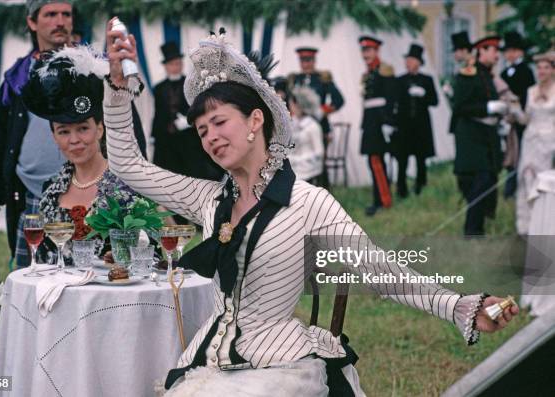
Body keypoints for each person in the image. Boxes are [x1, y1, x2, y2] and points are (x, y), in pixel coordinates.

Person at [104, 22, 518, 396]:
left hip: (277, 368)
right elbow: (127, 165)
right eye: (201, 130)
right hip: (207, 364)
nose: (210, 137)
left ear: (254, 121)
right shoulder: (208, 199)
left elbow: (379, 269)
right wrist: (118, 91)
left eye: (219, 122)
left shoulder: (309, 202)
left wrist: (459, 305)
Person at [0, 0, 146, 268]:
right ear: (32, 22)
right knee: (34, 282)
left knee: (99, 279)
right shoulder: (18, 77)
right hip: (32, 195)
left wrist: (138, 182)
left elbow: (129, 129)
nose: (60, 21)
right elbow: (1, 142)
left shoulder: (95, 68)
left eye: (65, 14)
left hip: (95, 195)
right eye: (51, 14)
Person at [20, 46, 149, 264]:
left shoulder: (130, 185)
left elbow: (152, 258)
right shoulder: (50, 193)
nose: (74, 140)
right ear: (54, 136)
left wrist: (125, 261)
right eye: (63, 131)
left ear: (100, 129)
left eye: (82, 128)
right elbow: (41, 263)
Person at [452, 36, 506, 236]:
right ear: (481, 51)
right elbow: (460, 107)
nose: (497, 54)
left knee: (488, 180)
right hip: (472, 137)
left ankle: (480, 227)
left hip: (487, 136)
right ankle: (472, 231)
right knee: (480, 181)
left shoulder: (487, 75)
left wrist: (499, 117)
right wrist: (488, 107)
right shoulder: (469, 73)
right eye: (493, 50)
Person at [152, 41, 224, 183]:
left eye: (178, 63)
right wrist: (154, 134)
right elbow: (158, 113)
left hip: (188, 139)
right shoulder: (159, 88)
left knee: (191, 173)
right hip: (166, 141)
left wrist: (188, 121)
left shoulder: (191, 84)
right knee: (167, 175)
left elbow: (198, 107)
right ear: (166, 66)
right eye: (172, 64)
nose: (175, 67)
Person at [288, 47, 344, 189]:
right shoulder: (295, 79)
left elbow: (339, 100)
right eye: (303, 61)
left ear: (314, 61)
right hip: (299, 128)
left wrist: (322, 111)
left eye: (308, 61)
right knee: (300, 162)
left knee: (320, 164)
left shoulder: (323, 79)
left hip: (319, 126)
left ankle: (324, 195)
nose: (306, 64)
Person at [515, 51, 555, 235]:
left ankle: (545, 224)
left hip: (549, 142)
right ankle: (525, 223)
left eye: (546, 68)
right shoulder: (531, 91)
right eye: (539, 68)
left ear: (552, 70)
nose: (542, 71)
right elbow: (525, 119)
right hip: (530, 140)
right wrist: (514, 111)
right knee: (526, 178)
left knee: (544, 181)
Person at [393, 44, 438, 198]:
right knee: (402, 157)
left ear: (418, 62)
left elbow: (435, 101)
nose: (408, 63)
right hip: (404, 125)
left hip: (421, 125)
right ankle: (401, 187)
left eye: (411, 60)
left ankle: (420, 184)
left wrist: (423, 94)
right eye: (407, 60)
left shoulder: (427, 80)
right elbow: (395, 102)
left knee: (421, 157)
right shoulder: (399, 80)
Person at [358, 36, 396, 216]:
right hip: (370, 122)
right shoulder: (368, 73)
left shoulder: (384, 70)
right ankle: (380, 199)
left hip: (380, 122)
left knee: (376, 161)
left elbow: (391, 98)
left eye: (368, 50)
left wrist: (388, 123)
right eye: (363, 50)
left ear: (376, 51)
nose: (365, 53)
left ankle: (382, 201)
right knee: (373, 161)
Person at [499, 31, 536, 199]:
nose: (510, 55)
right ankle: (510, 184)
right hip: (506, 119)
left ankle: (515, 186)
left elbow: (528, 95)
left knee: (519, 152)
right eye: (507, 51)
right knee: (508, 152)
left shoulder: (526, 71)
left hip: (520, 119)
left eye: (513, 51)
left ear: (520, 52)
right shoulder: (504, 73)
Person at [288, 86, 325, 185]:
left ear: (299, 105)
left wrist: (300, 160)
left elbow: (319, 153)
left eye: (292, 104)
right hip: (294, 166)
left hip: (308, 170)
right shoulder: (293, 123)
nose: (290, 107)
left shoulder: (312, 126)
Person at [446, 31, 473, 134]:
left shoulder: (471, 68)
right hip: (461, 119)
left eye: (456, 51)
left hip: (467, 119)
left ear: (464, 50)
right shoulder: (462, 68)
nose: (454, 55)